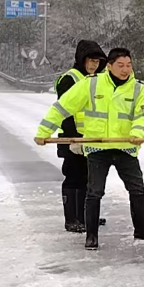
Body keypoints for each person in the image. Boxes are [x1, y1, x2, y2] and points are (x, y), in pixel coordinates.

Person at [35, 48, 144, 250]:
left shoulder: (137, 88)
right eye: (120, 65)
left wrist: (138, 133)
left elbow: (143, 115)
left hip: (125, 148)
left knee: (137, 188)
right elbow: (62, 107)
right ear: (110, 66)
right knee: (94, 191)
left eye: (128, 65)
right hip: (97, 148)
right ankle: (91, 235)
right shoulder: (91, 84)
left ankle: (142, 229)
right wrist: (44, 132)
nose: (125, 69)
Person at [56, 40, 106, 233]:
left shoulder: (97, 80)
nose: (94, 65)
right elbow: (64, 112)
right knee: (73, 177)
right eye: (91, 61)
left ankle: (86, 216)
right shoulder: (70, 79)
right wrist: (73, 139)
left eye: (97, 61)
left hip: (91, 138)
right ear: (82, 59)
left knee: (89, 178)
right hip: (73, 139)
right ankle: (71, 219)